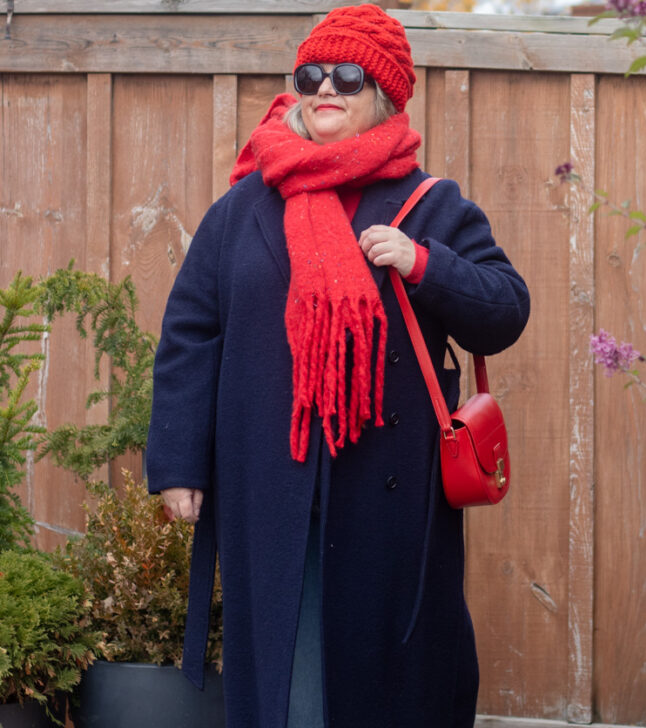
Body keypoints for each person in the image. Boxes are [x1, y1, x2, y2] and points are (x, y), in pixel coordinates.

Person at [146, 4, 530, 728]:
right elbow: (192, 333)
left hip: (389, 495)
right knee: (286, 680)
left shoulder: (432, 205)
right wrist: (178, 463)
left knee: (387, 682)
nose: (326, 89)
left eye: (347, 78)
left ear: (382, 94)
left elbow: (506, 310)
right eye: (311, 75)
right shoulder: (243, 206)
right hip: (267, 487)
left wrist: (425, 264)